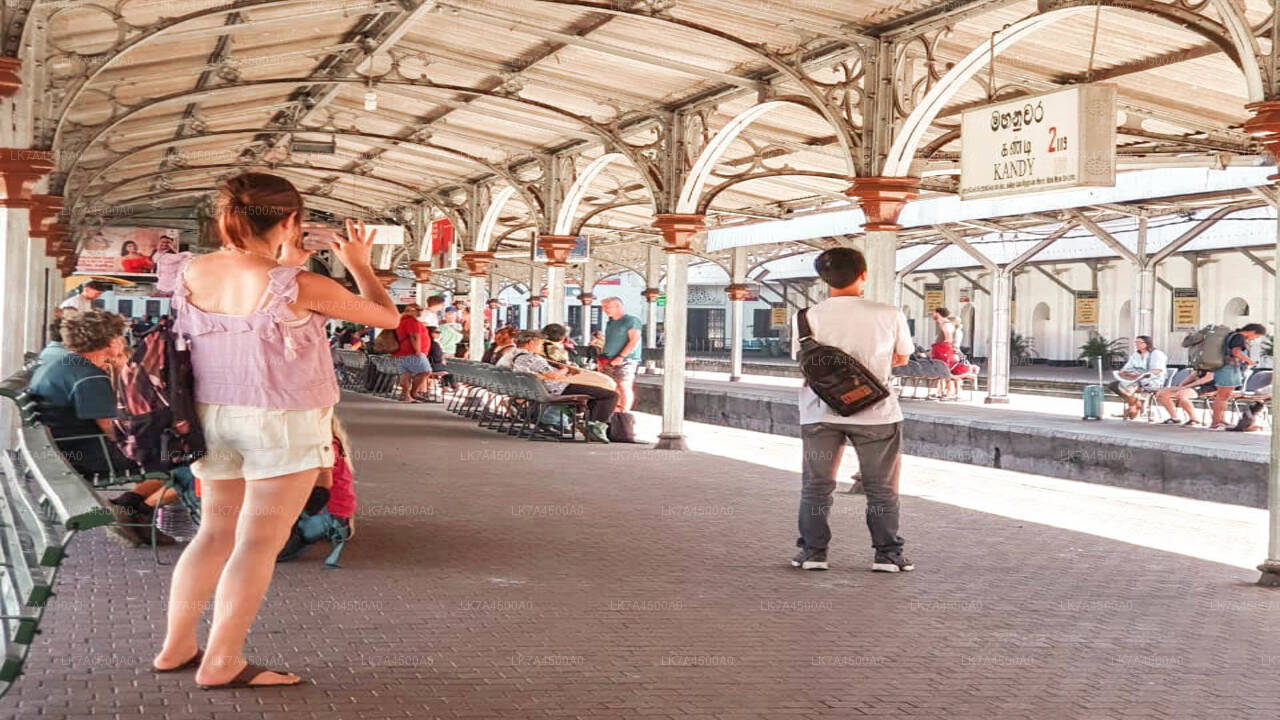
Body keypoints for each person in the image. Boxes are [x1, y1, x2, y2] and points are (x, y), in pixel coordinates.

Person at [150, 172, 398, 688]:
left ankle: (177, 646)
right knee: (257, 543)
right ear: (290, 221)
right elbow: (387, 318)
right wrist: (360, 266)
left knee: (214, 534)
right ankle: (222, 661)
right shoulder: (302, 285)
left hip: (211, 418)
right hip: (280, 424)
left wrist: (287, 261)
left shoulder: (189, 271)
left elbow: (250, 292)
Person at [791, 247, 914, 574]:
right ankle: (887, 555)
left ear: (823, 279)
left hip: (820, 414)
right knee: (881, 488)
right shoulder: (889, 313)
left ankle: (814, 553)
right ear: (864, 275)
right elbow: (902, 357)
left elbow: (805, 363)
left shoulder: (806, 317)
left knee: (816, 486)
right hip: (878, 413)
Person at [27, 310, 135, 479]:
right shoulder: (90, 375)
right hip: (85, 456)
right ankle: (137, 503)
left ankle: (135, 502)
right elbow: (112, 429)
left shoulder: (66, 364)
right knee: (171, 457)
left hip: (58, 449)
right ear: (112, 341)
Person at [506, 330, 614, 442]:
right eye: (540, 344)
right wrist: (566, 368)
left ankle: (590, 425)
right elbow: (553, 376)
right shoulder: (532, 358)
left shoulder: (515, 356)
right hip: (557, 388)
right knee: (610, 395)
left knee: (596, 393)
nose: (541, 347)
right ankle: (594, 427)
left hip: (542, 389)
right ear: (531, 343)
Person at [1210, 323, 1267, 431]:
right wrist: (1249, 361)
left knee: (1224, 396)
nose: (1255, 339)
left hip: (1225, 367)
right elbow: (1235, 351)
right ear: (1253, 332)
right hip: (1228, 368)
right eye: (1257, 336)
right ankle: (1216, 422)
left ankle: (1220, 420)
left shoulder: (1232, 335)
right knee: (1222, 396)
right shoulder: (1239, 337)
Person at [598, 297, 642, 411]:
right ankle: (615, 410)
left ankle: (624, 413)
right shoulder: (610, 323)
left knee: (624, 384)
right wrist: (602, 358)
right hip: (608, 358)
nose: (604, 310)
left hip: (627, 359)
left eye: (607, 307)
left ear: (617, 306)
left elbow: (634, 340)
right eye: (603, 307)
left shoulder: (632, 321)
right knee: (611, 386)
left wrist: (621, 356)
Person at [1107, 335, 1167, 419]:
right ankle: (1135, 404)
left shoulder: (1156, 354)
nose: (1137, 344)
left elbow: (1157, 370)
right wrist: (1123, 373)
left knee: (1126, 387)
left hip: (1152, 380)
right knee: (1113, 385)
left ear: (1147, 343)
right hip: (1134, 379)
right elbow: (1126, 368)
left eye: (1139, 342)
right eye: (1136, 342)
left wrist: (1141, 375)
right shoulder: (1136, 354)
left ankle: (1133, 408)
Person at [392, 303, 431, 403]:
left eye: (420, 310)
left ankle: (405, 395)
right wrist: (417, 350)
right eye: (417, 310)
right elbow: (414, 336)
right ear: (409, 311)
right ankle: (413, 392)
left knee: (406, 373)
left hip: (400, 352)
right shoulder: (411, 321)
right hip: (411, 352)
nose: (419, 312)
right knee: (426, 371)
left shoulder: (401, 321)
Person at [929, 307, 960, 400]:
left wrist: (939, 347)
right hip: (940, 350)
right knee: (940, 371)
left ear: (938, 313)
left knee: (945, 370)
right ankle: (940, 391)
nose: (932, 315)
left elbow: (948, 339)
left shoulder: (946, 325)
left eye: (933, 313)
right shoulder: (942, 324)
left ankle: (947, 392)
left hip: (944, 351)